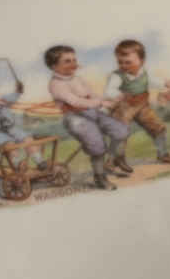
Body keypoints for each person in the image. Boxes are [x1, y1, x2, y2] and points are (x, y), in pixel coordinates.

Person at [45, 45, 129, 191]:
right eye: (67, 61)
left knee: (121, 131)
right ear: (54, 66)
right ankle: (99, 177)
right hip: (75, 119)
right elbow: (76, 102)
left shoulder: (77, 78)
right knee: (97, 145)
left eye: (74, 60)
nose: (73, 64)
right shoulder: (56, 84)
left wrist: (108, 100)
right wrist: (101, 103)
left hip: (92, 112)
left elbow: (92, 95)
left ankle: (108, 163)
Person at [104, 39, 170, 173]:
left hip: (142, 105)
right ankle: (114, 160)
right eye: (120, 62)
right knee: (120, 132)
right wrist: (120, 94)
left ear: (142, 61)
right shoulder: (117, 76)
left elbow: (153, 81)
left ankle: (163, 154)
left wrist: (165, 84)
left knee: (158, 127)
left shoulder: (145, 73)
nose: (123, 65)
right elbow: (109, 91)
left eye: (128, 62)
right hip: (124, 107)